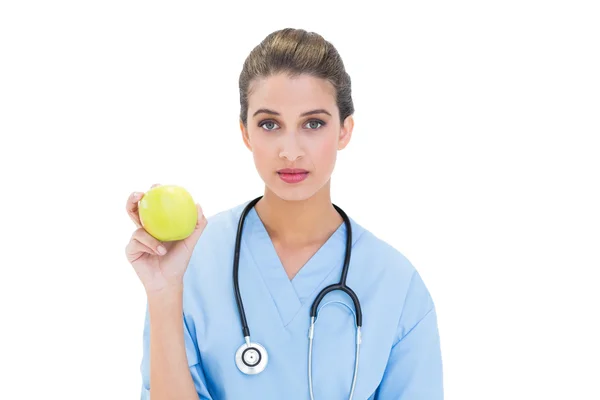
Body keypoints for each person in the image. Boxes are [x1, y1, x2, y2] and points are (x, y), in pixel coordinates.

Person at [125, 27, 443, 400]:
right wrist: (164, 293)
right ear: (246, 133)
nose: (290, 151)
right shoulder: (191, 260)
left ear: (344, 130)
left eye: (313, 123)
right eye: (270, 124)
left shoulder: (395, 284)